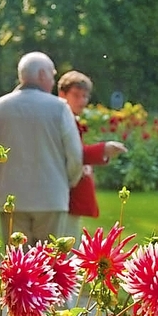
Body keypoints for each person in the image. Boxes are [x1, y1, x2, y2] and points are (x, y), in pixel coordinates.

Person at [0, 52, 83, 245]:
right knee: (50, 266)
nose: (53, 81)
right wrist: (66, 183)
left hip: (11, 197)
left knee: (17, 267)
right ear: (42, 74)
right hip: (51, 198)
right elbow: (75, 156)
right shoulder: (59, 107)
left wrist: (0, 189)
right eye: (52, 75)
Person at [57, 70, 127, 240]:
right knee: (66, 246)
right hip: (64, 193)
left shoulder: (69, 118)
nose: (82, 101)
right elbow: (72, 154)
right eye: (76, 95)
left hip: (67, 193)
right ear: (62, 94)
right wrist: (104, 149)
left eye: (85, 96)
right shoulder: (61, 118)